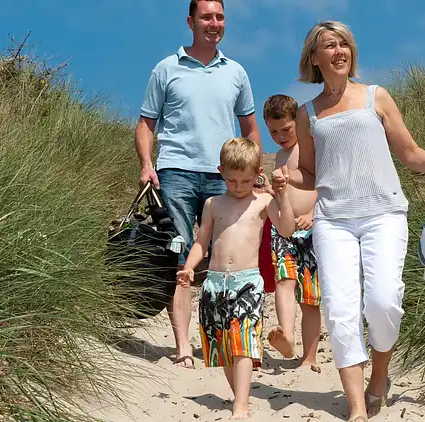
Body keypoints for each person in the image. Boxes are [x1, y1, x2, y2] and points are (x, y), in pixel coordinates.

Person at [271, 21, 425, 422]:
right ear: (315, 58)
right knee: (340, 310)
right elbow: (311, 173)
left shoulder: (376, 97)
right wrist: (286, 177)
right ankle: (358, 407)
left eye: (344, 43)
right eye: (330, 45)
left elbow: (410, 151)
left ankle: (379, 375)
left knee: (383, 300)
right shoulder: (308, 113)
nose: (340, 50)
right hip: (333, 221)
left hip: (383, 213)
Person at [134, 0, 262, 369]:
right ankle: (183, 347)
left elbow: (250, 128)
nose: (214, 23)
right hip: (175, 171)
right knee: (182, 256)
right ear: (191, 21)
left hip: (226, 176)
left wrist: (256, 169)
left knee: (223, 259)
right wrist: (147, 164)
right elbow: (146, 124)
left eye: (220, 17)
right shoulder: (166, 68)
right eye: (207, 17)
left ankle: (225, 341)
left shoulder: (236, 72)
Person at [176, 137, 294, 419]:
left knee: (243, 343)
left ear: (257, 175)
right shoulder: (213, 204)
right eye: (231, 180)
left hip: (247, 283)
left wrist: (283, 195)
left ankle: (242, 404)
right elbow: (201, 242)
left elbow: (287, 229)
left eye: (245, 180)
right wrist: (190, 267)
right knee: (224, 347)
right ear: (221, 172)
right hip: (214, 284)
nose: (238, 186)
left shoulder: (263, 201)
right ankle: (237, 397)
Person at [262, 94, 323, 373]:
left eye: (285, 129)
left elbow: (324, 183)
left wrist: (313, 214)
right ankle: (286, 336)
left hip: (309, 229)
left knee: (310, 297)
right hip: (283, 229)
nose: (280, 136)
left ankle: (309, 356)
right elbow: (282, 192)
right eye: (273, 131)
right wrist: (268, 191)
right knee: (284, 281)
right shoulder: (279, 156)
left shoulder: (310, 148)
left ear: (298, 124)